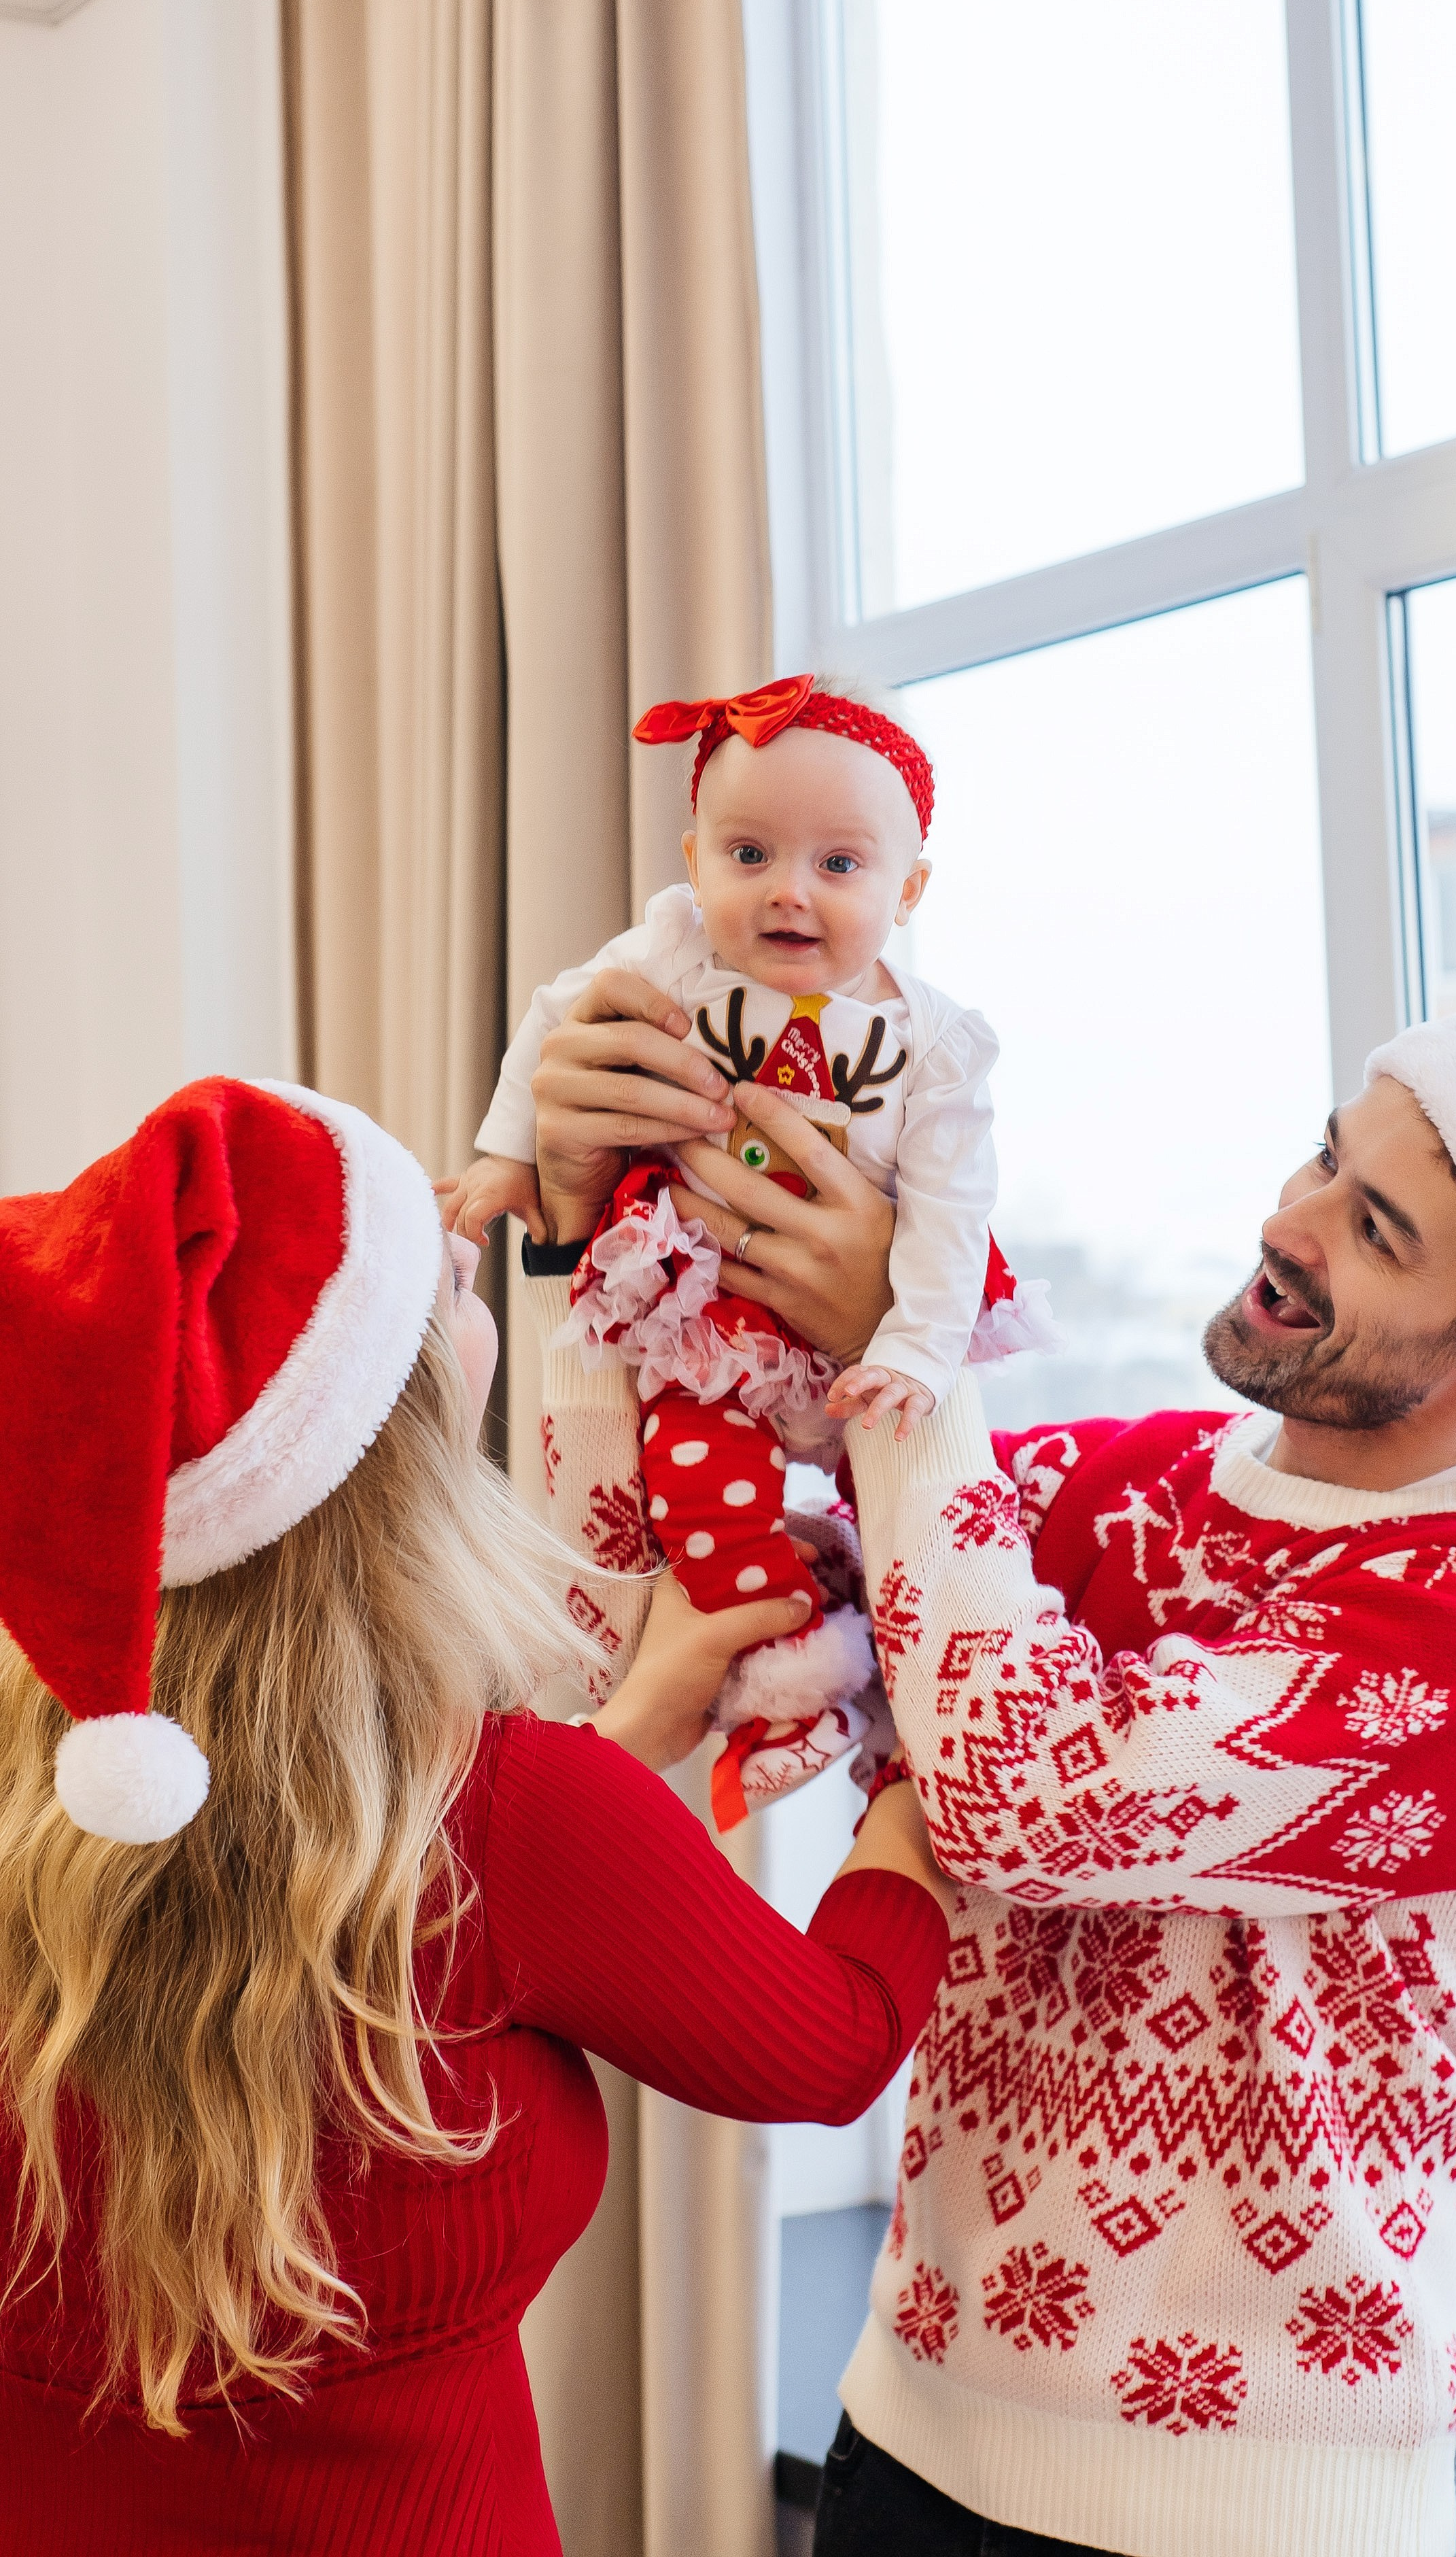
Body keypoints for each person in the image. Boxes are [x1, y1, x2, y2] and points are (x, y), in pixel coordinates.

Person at [532, 1006, 1456, 2557]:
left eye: (1374, 1228)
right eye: (1320, 1157)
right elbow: (634, 1612)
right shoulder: (1108, 1483)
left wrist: (917, 1352)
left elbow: (1020, 1798)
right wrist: (599, 1261)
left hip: (1255, 2514)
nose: (1286, 1226)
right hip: (908, 2438)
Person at [0, 1075, 952, 2557]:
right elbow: (834, 2042)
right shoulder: (515, 1819)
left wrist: (629, 1738)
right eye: (449, 1283)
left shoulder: (47, 1793)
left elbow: (409, 1924)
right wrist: (931, 1745)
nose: (482, 1297)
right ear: (369, 1429)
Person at [438, 674, 1054, 1828]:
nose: (788, 892)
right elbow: (550, 1022)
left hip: (870, 1331)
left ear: (908, 890)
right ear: (694, 860)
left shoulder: (936, 1045)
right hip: (705, 1311)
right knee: (697, 1496)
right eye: (749, 853)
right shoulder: (671, 955)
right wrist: (512, 1162)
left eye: (838, 865)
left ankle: (906, 1733)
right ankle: (780, 1693)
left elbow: (951, 1214)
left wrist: (914, 1354)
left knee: (902, 1523)